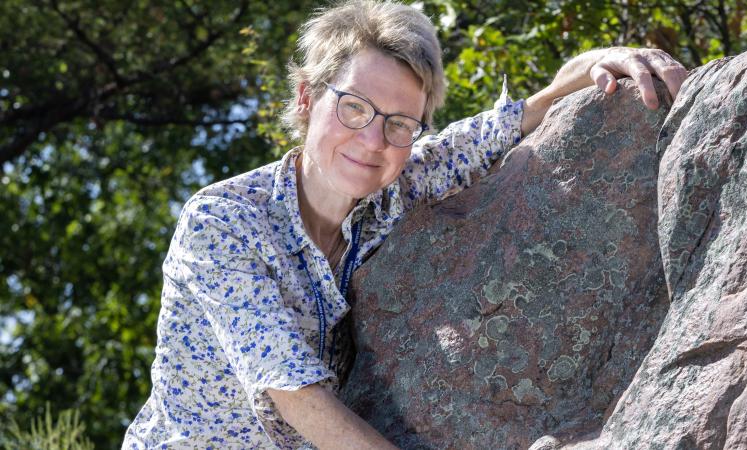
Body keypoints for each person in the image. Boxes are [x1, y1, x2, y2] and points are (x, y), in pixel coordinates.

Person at [123, 1, 687, 448]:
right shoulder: (224, 222)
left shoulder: (399, 186)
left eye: (400, 124)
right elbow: (292, 392)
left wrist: (605, 59)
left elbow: (522, 116)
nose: (373, 141)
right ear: (305, 98)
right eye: (354, 108)